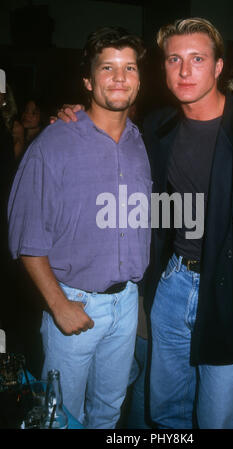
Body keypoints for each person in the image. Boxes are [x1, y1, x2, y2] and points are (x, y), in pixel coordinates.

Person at [54, 17, 233, 429]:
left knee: (218, 420)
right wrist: (77, 115)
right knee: (165, 416)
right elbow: (112, 133)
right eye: (174, 60)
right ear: (163, 68)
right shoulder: (157, 128)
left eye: (197, 59)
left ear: (219, 67)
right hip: (171, 289)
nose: (185, 71)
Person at [7, 26, 151, 429]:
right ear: (88, 80)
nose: (120, 78)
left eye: (129, 68)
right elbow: (25, 238)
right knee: (62, 417)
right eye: (108, 68)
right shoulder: (54, 143)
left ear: (140, 79)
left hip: (127, 307)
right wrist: (58, 305)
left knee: (108, 412)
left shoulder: (142, 142)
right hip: (74, 304)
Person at [12, 97, 46, 161]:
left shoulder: (42, 142)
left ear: (42, 116)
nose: (27, 115)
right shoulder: (16, 133)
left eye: (34, 113)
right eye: (26, 110)